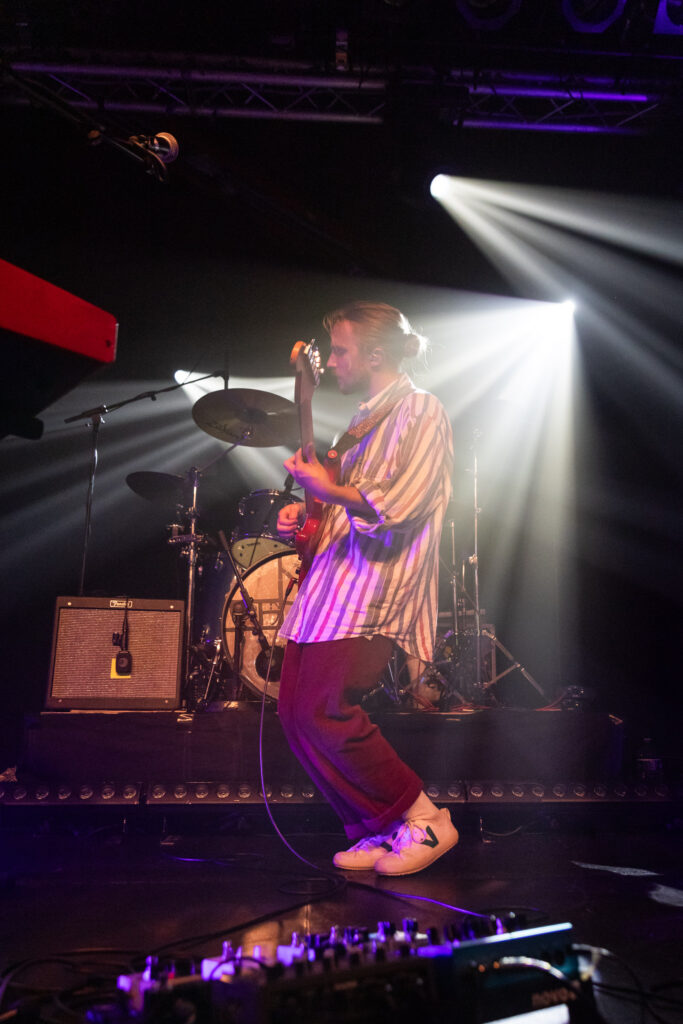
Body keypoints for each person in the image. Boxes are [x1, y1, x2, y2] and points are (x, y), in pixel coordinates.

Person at [276, 301, 458, 876]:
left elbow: (404, 504)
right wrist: (303, 518)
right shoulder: (357, 425)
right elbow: (338, 508)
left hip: (375, 588)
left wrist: (327, 494)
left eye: (341, 350)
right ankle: (377, 827)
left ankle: (426, 818)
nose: (331, 361)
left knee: (327, 709)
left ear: (376, 354)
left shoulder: (421, 410)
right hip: (331, 589)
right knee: (295, 714)